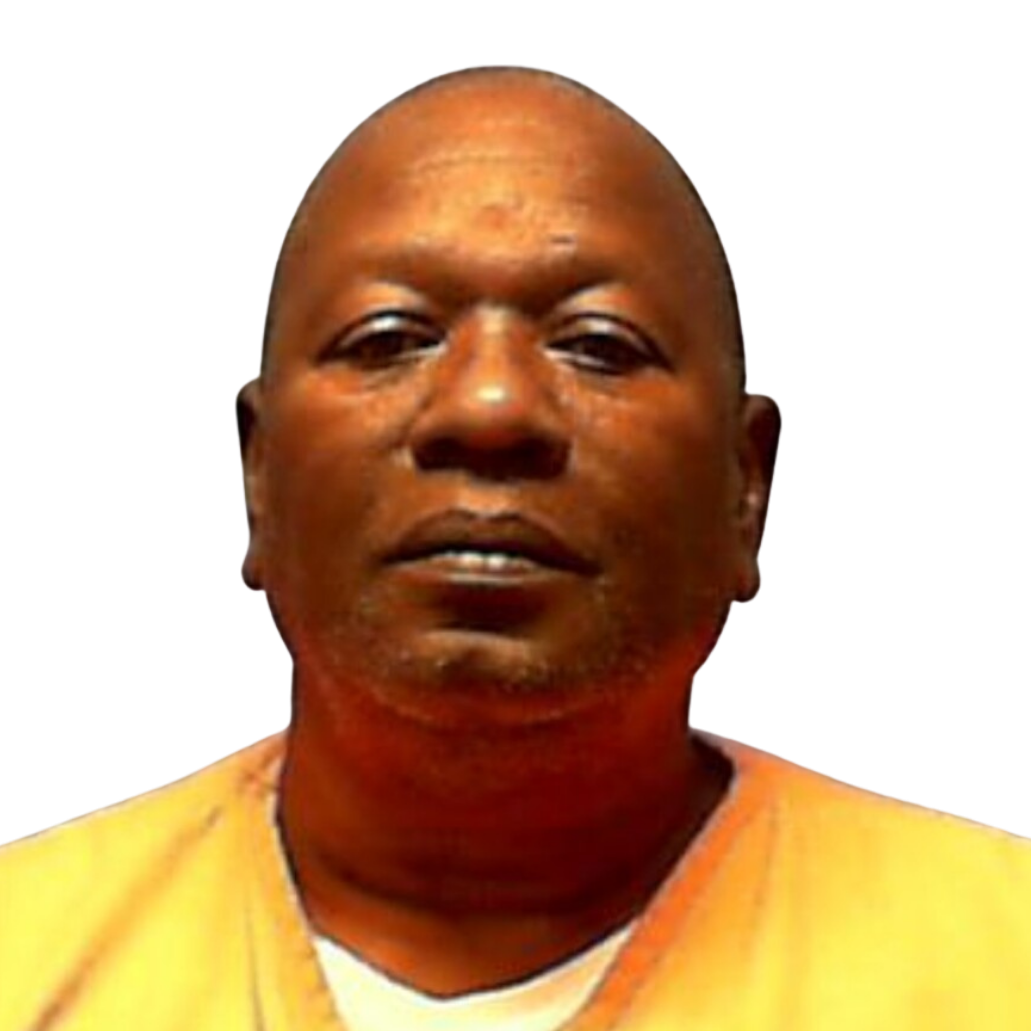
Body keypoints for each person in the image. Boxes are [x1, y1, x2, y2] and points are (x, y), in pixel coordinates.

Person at [1, 64, 1029, 1031]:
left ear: (742, 488)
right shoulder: (26, 948)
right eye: (387, 337)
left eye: (598, 345)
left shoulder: (996, 959)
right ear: (256, 474)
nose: (489, 407)